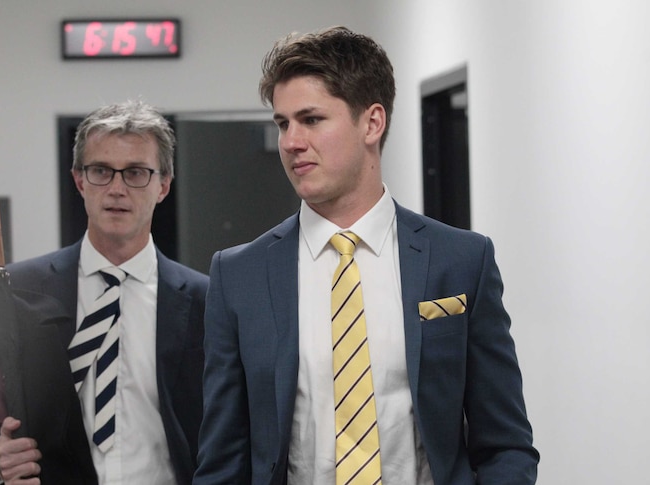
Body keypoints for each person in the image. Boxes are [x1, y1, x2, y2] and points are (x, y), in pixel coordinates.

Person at [193, 26, 539, 485]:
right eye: (282, 123)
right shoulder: (240, 276)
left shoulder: (461, 261)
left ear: (372, 123)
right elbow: (223, 461)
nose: (291, 141)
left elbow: (505, 445)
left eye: (311, 119)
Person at [0, 100, 208, 484]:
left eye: (136, 173)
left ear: (163, 185)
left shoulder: (205, 301)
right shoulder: (16, 293)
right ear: (79, 180)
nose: (116, 188)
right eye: (101, 171)